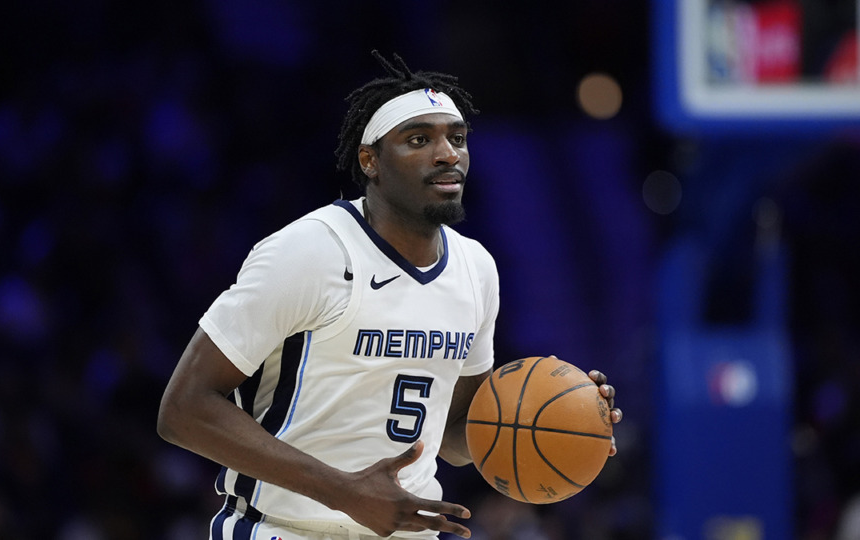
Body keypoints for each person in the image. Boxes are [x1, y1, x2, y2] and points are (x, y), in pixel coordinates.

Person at [157, 51, 622, 540]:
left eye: (457, 138)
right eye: (419, 139)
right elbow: (184, 408)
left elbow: (456, 432)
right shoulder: (308, 252)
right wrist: (346, 492)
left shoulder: (476, 268)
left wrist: (567, 422)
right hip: (284, 528)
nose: (448, 154)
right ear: (370, 160)